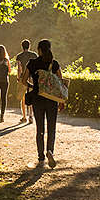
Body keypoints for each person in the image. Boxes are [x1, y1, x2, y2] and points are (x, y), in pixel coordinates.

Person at [26, 39, 65, 167]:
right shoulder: (54, 64)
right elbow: (60, 82)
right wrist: (61, 101)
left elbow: (22, 80)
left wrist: (33, 86)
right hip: (52, 100)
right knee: (52, 128)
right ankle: (50, 151)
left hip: (38, 99)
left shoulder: (32, 63)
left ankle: (41, 156)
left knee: (40, 129)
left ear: (39, 50)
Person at [14, 39, 38, 124]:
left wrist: (18, 78)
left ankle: (24, 117)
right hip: (32, 78)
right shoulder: (34, 55)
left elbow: (19, 68)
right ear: (29, 46)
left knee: (23, 97)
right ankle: (31, 116)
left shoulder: (19, 56)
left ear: (22, 46)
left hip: (23, 78)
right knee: (31, 96)